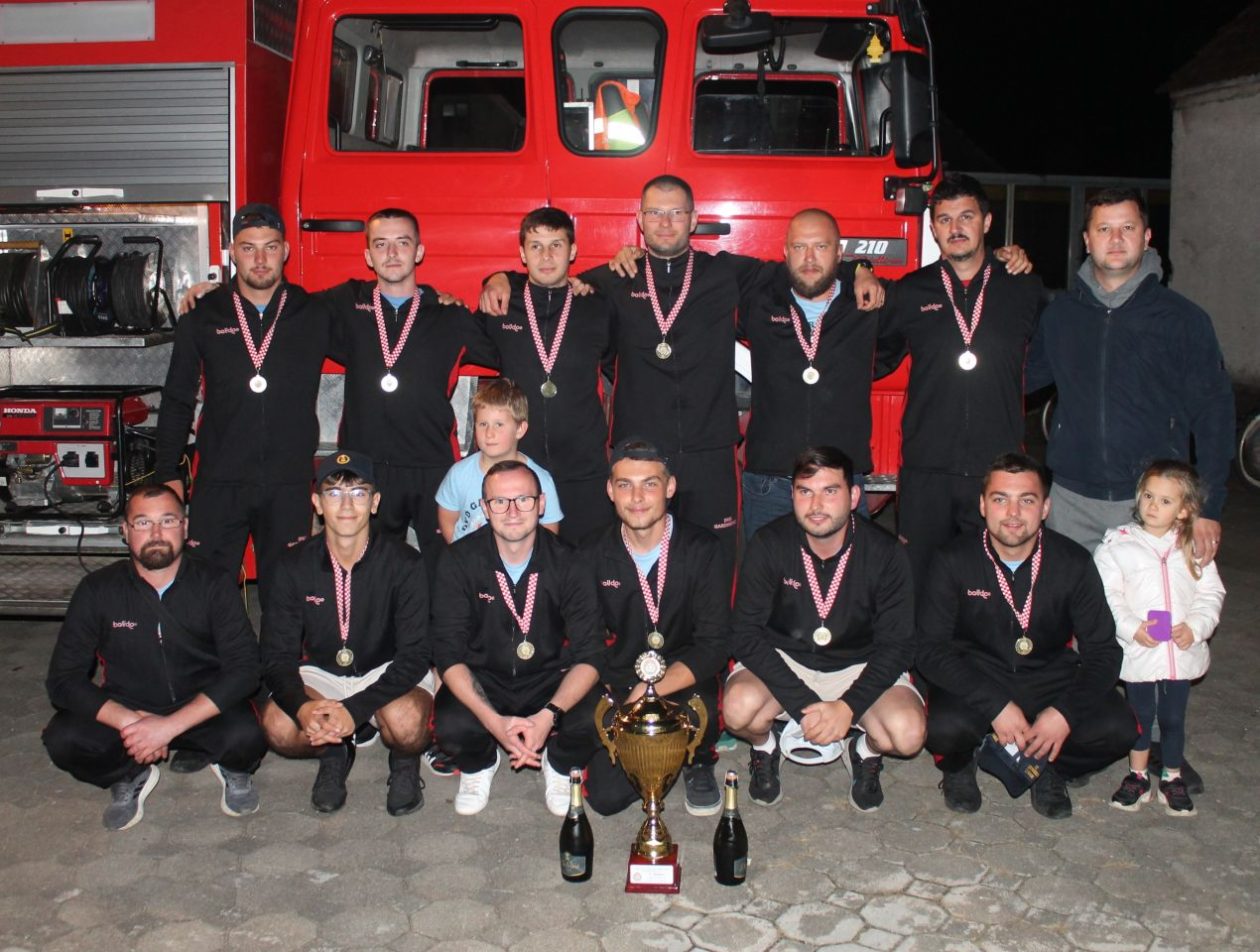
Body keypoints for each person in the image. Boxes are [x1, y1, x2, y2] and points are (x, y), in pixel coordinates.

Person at [482, 176, 883, 568]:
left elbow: (804, 267)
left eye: (676, 213)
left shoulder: (726, 273)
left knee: (716, 557)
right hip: (638, 451)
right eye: (656, 212)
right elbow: (548, 282)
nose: (666, 222)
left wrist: (859, 268)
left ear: (693, 220)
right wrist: (500, 278)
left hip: (709, 451)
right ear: (640, 219)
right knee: (635, 556)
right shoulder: (614, 279)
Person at [182, 207, 476, 560]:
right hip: (365, 467)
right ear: (368, 255)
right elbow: (271, 299)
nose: (393, 253)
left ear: (419, 251)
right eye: (382, 244)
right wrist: (219, 294)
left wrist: (501, 281)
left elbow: (501, 342)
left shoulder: (448, 315)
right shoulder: (343, 303)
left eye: (402, 243)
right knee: (368, 573)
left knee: (445, 572)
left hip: (431, 467)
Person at [916, 453, 1136, 820]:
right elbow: (929, 649)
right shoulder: (952, 559)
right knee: (942, 728)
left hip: (1049, 674)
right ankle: (959, 763)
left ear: (1046, 507)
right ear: (983, 505)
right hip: (978, 671)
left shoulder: (1074, 562)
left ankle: (1050, 766)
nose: (1013, 513)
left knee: (1119, 729)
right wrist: (995, 705)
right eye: (1001, 499)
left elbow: (1103, 652)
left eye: (1027, 500)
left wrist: (1064, 714)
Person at [1026, 188, 1234, 564]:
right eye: (1104, 229)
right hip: (1071, 503)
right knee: (1072, 618)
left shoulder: (1183, 319)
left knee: (1155, 619)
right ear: (1087, 240)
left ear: (1147, 236)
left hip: (1154, 502)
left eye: (1127, 227)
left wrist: (1208, 507)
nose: (1116, 239)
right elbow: (1015, 380)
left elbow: (1214, 415)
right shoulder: (1061, 317)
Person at [43, 485, 266, 831]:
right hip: (129, 709)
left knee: (249, 735)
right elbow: (63, 680)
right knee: (63, 739)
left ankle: (230, 767)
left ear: (185, 527)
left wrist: (168, 728)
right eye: (143, 523)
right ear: (125, 531)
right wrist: (130, 723)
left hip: (200, 708)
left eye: (167, 521)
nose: (157, 534)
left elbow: (246, 669)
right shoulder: (97, 590)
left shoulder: (214, 583)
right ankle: (130, 773)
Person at [723, 446, 924, 813]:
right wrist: (802, 705)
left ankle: (864, 750)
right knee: (738, 710)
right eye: (805, 491)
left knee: (908, 734)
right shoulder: (770, 543)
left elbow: (898, 646)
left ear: (855, 497)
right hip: (787, 662)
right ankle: (765, 746)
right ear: (792, 496)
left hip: (858, 666)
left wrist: (849, 707)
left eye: (830, 491)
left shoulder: (885, 553)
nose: (816, 504)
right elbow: (745, 634)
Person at [155, 203, 329, 610]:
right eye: (249, 248)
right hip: (220, 480)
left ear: (286, 250)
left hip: (288, 483)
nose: (261, 259)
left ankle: (280, 674)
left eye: (270, 247)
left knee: (285, 596)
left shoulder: (315, 313)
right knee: (205, 593)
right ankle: (211, 673)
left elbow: (380, 299)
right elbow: (178, 398)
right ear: (232, 251)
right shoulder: (203, 315)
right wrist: (168, 473)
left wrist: (432, 295)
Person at [875, 173, 1045, 588]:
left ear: (987, 222)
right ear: (932, 229)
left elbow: (1045, 364)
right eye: (945, 219)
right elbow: (875, 359)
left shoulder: (1024, 287)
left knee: (991, 585)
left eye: (966, 216)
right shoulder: (910, 292)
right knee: (920, 582)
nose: (956, 228)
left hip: (997, 471)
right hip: (926, 469)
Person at [260, 451, 433, 816]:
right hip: (322, 675)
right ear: (317, 504)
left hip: (386, 670)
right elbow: (277, 656)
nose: (346, 505)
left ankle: (403, 762)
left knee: (408, 726)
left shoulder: (406, 563)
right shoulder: (292, 566)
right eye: (334, 493)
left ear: (375, 503)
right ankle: (335, 751)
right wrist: (304, 708)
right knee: (278, 727)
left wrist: (354, 709)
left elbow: (416, 654)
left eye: (358, 493)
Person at [430, 460, 603, 817]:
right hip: (486, 677)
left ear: (541, 504)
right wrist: (493, 723)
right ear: (484, 507)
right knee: (451, 724)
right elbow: (447, 654)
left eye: (523, 500)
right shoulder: (458, 561)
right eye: (499, 502)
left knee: (595, 716)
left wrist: (548, 716)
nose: (512, 512)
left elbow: (591, 654)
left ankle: (558, 763)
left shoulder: (571, 562)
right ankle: (479, 764)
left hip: (548, 678)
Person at [574, 438, 730, 816]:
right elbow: (587, 642)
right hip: (620, 682)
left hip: (682, 680)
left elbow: (713, 645)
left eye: (650, 483)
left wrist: (647, 693)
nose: (637, 497)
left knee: (702, 708)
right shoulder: (591, 552)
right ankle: (652, 756)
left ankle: (697, 762)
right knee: (605, 798)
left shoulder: (703, 548)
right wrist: (616, 697)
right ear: (610, 490)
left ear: (670, 487)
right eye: (625, 484)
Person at [465, 207, 615, 543]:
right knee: (523, 563)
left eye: (556, 245)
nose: (546, 256)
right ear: (522, 253)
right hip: (520, 468)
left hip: (585, 468)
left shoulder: (597, 308)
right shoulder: (500, 306)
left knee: (587, 563)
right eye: (536, 246)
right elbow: (452, 332)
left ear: (572, 251)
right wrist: (496, 278)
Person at [739, 209, 882, 537]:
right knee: (768, 586)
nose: (809, 258)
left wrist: (860, 269)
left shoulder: (868, 304)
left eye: (821, 247)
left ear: (840, 253)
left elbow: (888, 353)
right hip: (769, 484)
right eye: (800, 247)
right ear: (786, 253)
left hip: (841, 483)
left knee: (846, 585)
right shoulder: (759, 301)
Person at [1094, 461, 1225, 816]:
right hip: (1140, 652)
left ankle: (1171, 776)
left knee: (1171, 719)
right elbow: (1108, 595)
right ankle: (1137, 776)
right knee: (1139, 717)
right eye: (1148, 496)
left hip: (1179, 656)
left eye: (1166, 501)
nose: (1153, 506)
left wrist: (1196, 627)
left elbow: (1210, 593)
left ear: (1185, 510)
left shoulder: (1192, 547)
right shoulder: (1118, 544)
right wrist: (1133, 627)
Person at [435, 378, 564, 541]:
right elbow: (447, 517)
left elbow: (549, 528)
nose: (489, 433)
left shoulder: (540, 480)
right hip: (469, 561)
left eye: (499, 425)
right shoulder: (458, 474)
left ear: (520, 429)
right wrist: (458, 556)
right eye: (482, 424)